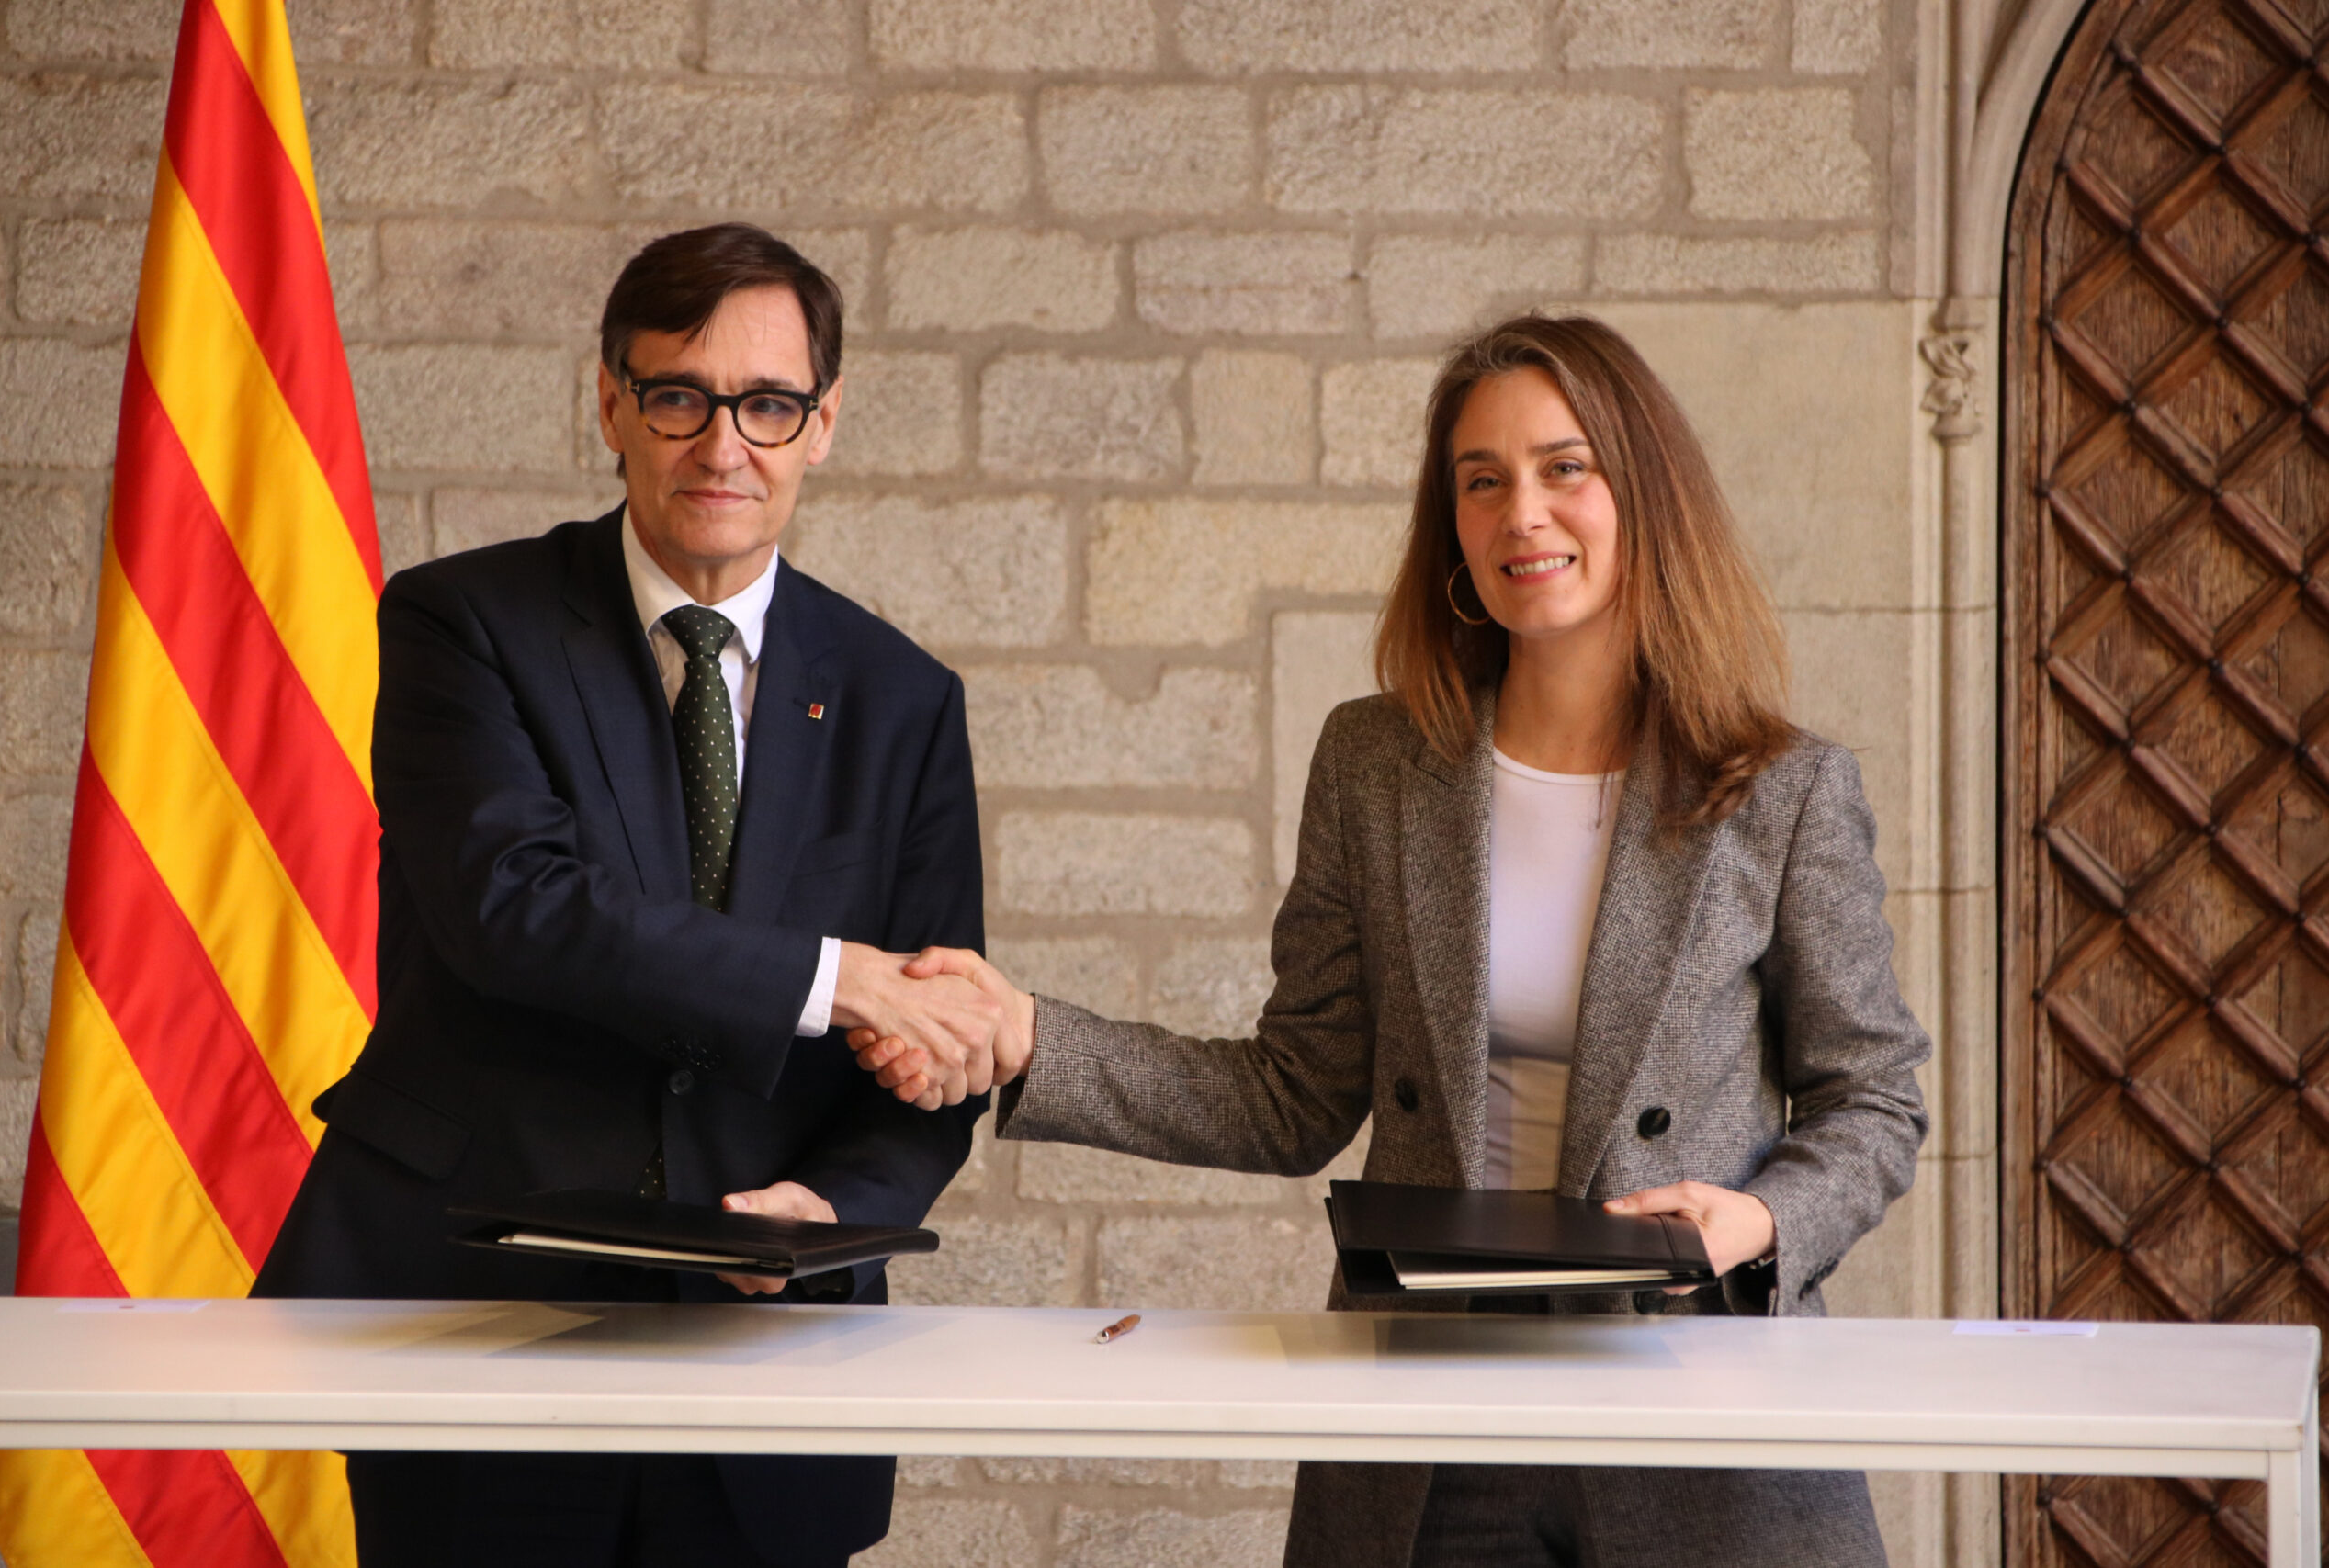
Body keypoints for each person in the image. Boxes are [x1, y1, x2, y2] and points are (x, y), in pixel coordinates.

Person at [842, 314, 1931, 1568]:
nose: (1522, 512)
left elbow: (1872, 1099)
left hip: (1696, 1406)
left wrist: (1755, 1223)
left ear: (1646, 492)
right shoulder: (1374, 763)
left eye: (1564, 468)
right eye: (1483, 481)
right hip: (1433, 1420)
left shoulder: (1781, 790)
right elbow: (1293, 1094)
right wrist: (1031, 1037)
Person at [253, 223, 1002, 1568]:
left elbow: (933, 1043)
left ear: (824, 423)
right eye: (678, 397)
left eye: (768, 405)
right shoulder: (460, 624)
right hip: (475, 1318)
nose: (724, 446)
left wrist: (833, 1212)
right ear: (609, 403)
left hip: (770, 1355)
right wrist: (833, 979)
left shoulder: (905, 700)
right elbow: (512, 907)